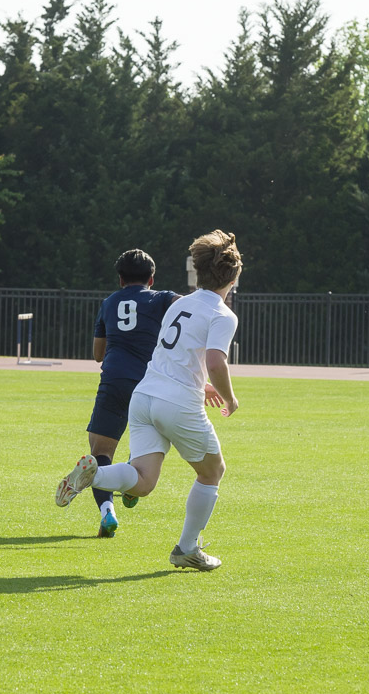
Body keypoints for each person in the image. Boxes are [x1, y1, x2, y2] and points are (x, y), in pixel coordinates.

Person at [56, 230, 242, 571]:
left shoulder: (180, 304)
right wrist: (229, 397)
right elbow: (216, 361)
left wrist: (201, 385)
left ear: (198, 271)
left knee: (143, 481)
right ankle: (187, 548)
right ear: (233, 277)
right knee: (213, 471)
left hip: (144, 396)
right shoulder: (222, 314)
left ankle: (94, 475)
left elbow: (172, 354)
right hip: (177, 404)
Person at [84, 248, 222, 538]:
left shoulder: (109, 302)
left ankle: (107, 512)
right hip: (151, 384)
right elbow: (192, 308)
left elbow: (98, 353)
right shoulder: (161, 298)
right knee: (149, 442)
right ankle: (132, 478)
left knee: (100, 453)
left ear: (120, 279)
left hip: (114, 382)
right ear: (152, 277)